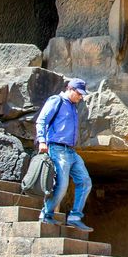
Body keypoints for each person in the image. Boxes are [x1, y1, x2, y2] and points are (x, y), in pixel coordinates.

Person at [35, 78, 93, 232]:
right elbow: (41, 120)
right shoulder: (57, 101)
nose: (80, 97)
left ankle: (75, 217)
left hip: (71, 151)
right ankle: (46, 213)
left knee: (85, 181)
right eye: (78, 93)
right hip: (57, 148)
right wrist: (42, 141)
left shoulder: (73, 106)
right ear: (70, 89)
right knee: (62, 185)